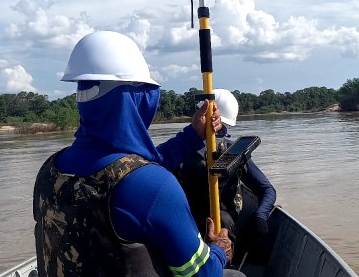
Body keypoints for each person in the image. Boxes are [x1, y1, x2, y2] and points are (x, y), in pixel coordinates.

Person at [33, 31, 244, 276]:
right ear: (137, 98)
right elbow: (204, 273)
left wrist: (193, 135)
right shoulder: (153, 184)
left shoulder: (50, 170)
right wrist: (219, 250)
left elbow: (130, 170)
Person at [175, 89, 277, 264]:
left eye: (222, 128)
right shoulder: (181, 152)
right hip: (190, 221)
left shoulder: (232, 152)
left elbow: (267, 189)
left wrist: (260, 216)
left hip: (221, 224)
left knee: (223, 221)